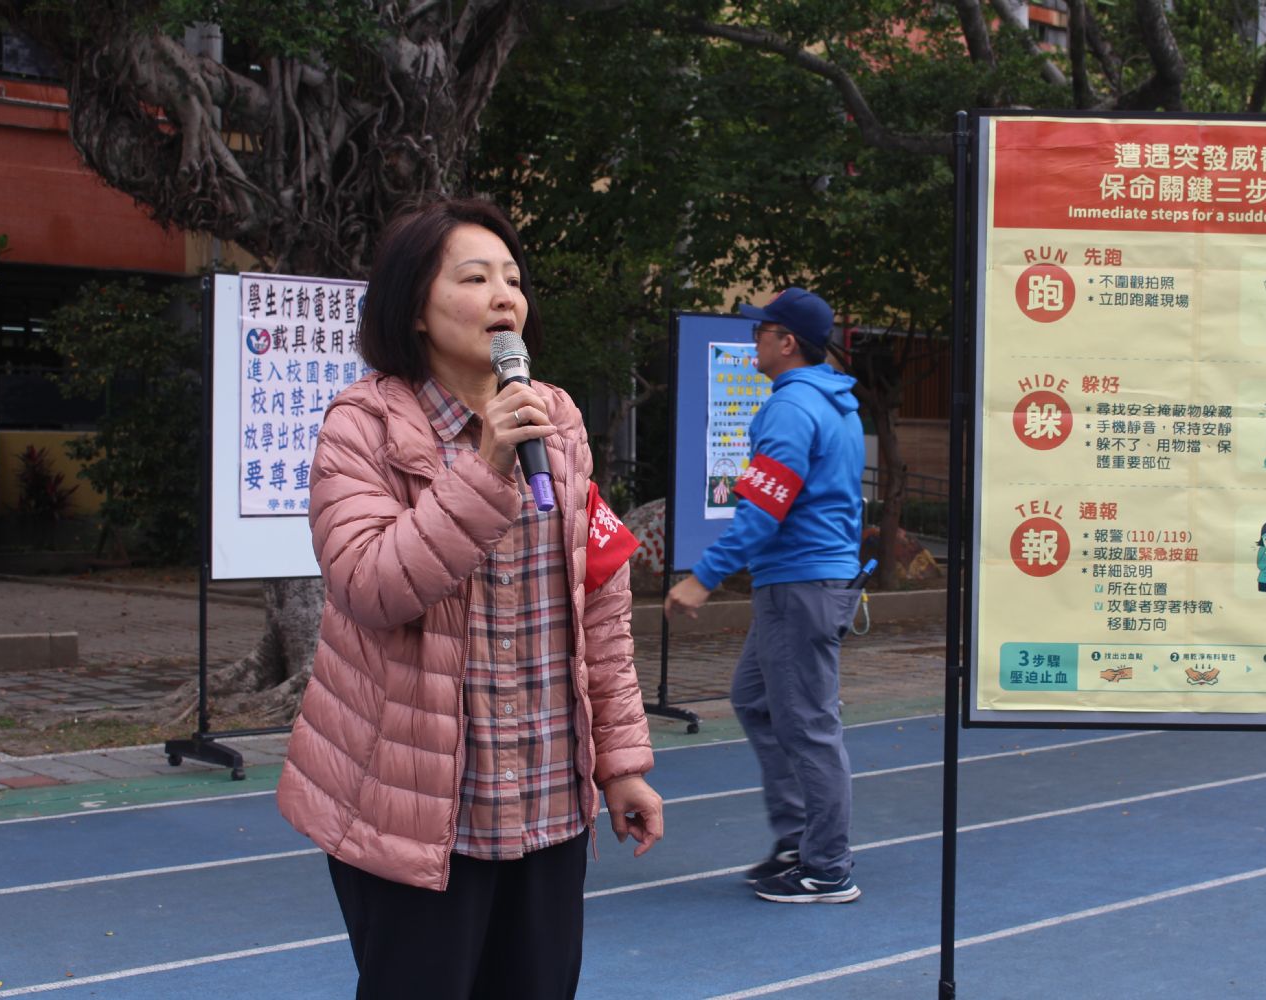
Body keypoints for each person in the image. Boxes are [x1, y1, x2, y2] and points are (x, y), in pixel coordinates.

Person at [276, 196, 663, 1000]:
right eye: (475, 277)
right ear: (415, 307)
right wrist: (485, 467)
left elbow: (600, 606)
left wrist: (622, 765)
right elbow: (370, 585)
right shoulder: (362, 426)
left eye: (513, 279)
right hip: (414, 809)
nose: (503, 297)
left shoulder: (557, 420)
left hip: (548, 794)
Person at [664, 287, 865, 904]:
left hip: (799, 585)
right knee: (755, 699)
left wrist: (703, 577)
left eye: (761, 331)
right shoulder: (835, 403)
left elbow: (761, 511)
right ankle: (799, 840)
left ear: (787, 342)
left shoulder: (790, 408)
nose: (753, 340)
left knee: (808, 725)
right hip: (813, 581)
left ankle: (826, 866)